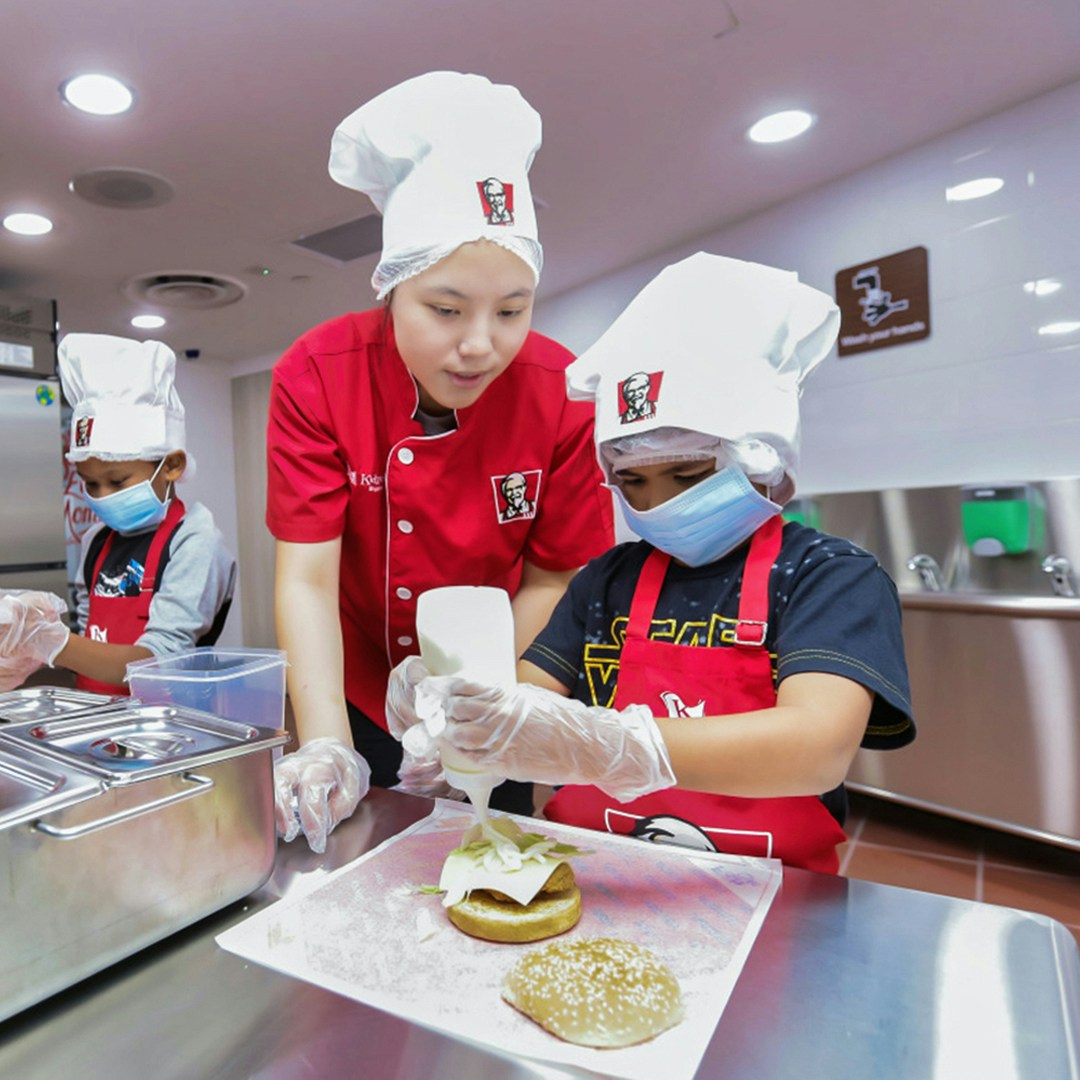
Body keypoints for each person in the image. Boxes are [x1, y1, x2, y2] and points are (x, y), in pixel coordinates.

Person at [388, 252, 915, 874]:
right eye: (631, 479)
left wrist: (613, 745)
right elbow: (520, 701)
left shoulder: (830, 576)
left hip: (767, 896)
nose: (656, 503)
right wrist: (460, 711)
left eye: (689, 474)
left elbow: (815, 749)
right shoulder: (607, 579)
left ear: (764, 462)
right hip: (597, 877)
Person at [267, 72, 615, 853]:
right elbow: (308, 578)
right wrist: (325, 741)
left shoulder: (563, 393)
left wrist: (475, 697)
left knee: (495, 867)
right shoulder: (317, 373)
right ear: (393, 289)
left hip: (498, 685)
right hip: (351, 687)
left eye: (514, 309)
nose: (481, 344)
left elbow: (556, 576)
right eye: (447, 309)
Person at [0, 333, 236, 696]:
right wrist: (36, 632)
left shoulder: (196, 540)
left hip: (170, 725)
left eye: (117, 481)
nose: (102, 497)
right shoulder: (97, 538)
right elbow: (85, 627)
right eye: (90, 484)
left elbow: (160, 663)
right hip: (96, 717)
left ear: (171, 466)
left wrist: (55, 644)